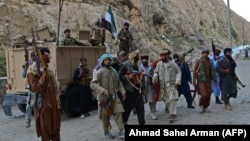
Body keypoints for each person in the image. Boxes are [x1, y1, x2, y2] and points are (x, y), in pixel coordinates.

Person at [26, 47, 61, 141]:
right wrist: (44, 75)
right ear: (41, 56)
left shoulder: (47, 69)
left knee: (56, 131)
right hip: (43, 108)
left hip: (54, 106)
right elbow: (37, 88)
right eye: (47, 54)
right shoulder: (32, 71)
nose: (50, 56)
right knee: (45, 133)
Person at [90, 53, 126, 139]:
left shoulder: (114, 72)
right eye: (105, 60)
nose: (108, 61)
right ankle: (106, 131)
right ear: (103, 61)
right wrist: (102, 91)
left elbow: (119, 83)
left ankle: (121, 130)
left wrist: (123, 91)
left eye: (109, 60)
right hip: (104, 100)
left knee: (118, 113)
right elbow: (92, 84)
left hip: (114, 97)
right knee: (105, 117)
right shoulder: (99, 72)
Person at [152, 49, 181, 123]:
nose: (162, 57)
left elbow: (179, 72)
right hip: (163, 86)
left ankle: (172, 114)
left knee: (172, 99)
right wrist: (154, 78)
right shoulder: (159, 64)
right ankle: (170, 111)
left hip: (172, 85)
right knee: (167, 100)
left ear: (167, 55)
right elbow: (156, 72)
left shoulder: (173, 64)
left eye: (163, 55)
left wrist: (177, 81)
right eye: (161, 55)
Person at [119, 50, 145, 125]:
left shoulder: (137, 65)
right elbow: (120, 76)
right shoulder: (125, 65)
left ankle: (142, 123)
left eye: (136, 58)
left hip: (138, 89)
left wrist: (141, 75)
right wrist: (128, 76)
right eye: (134, 58)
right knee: (127, 109)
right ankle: (124, 122)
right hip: (129, 90)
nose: (135, 60)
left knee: (141, 108)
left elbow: (138, 74)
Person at [192, 49, 217, 113]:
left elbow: (213, 71)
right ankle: (201, 105)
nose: (205, 54)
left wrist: (215, 80)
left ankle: (205, 107)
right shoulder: (198, 62)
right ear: (202, 54)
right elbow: (194, 72)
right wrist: (194, 81)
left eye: (206, 53)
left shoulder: (210, 61)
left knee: (208, 94)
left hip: (208, 80)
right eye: (204, 53)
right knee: (204, 94)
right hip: (201, 80)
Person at [140, 54, 158, 120]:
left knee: (151, 100)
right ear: (141, 60)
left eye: (145, 59)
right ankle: (141, 114)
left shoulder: (151, 67)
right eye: (143, 59)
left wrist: (154, 78)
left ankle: (152, 113)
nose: (144, 60)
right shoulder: (139, 68)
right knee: (141, 101)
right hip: (141, 87)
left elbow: (155, 74)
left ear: (147, 60)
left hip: (149, 85)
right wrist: (141, 75)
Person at [22, 51, 36, 128]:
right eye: (33, 56)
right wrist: (25, 68)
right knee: (29, 105)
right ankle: (28, 120)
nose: (34, 58)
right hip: (31, 88)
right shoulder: (29, 65)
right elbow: (23, 75)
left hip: (38, 87)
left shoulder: (38, 64)